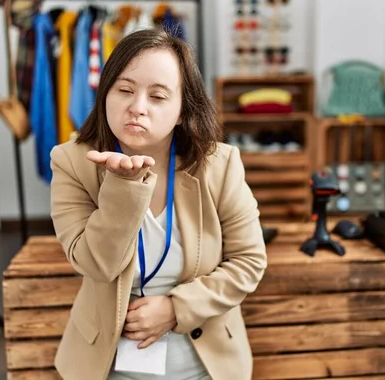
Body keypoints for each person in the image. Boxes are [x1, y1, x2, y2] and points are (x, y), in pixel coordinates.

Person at [49, 27, 267, 380]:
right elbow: (94, 264)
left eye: (158, 96)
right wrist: (123, 187)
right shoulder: (72, 162)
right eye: (124, 90)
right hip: (108, 367)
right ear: (105, 94)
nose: (137, 108)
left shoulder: (219, 164)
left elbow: (249, 261)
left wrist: (176, 308)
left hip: (204, 367)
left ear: (182, 110)